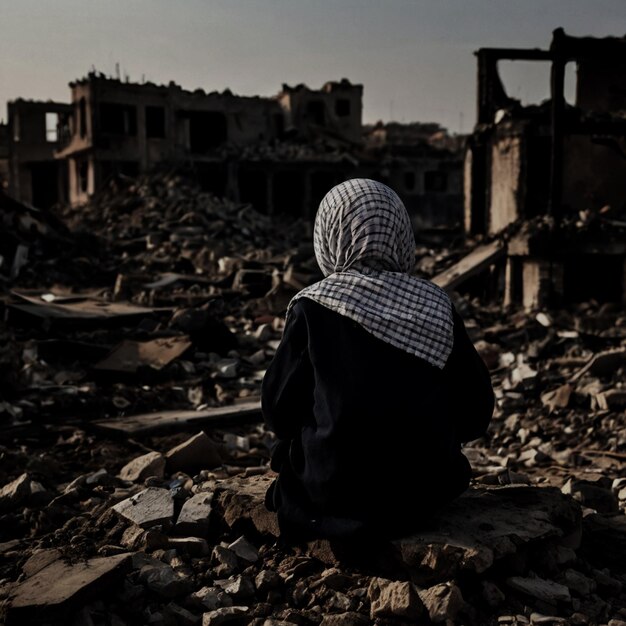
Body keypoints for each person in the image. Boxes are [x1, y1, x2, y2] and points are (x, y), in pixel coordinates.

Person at [262, 178, 494, 541]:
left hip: (334, 489)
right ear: (401, 233)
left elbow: (277, 410)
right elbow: (477, 411)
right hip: (424, 491)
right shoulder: (436, 306)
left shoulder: (313, 305)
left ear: (329, 233)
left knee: (286, 455)